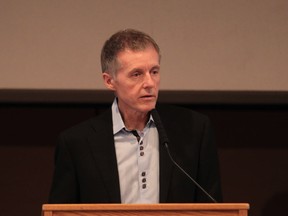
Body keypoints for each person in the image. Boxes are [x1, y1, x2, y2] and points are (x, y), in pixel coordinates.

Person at [48, 29, 222, 204]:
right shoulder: (77, 143)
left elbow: (214, 207)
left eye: (154, 72)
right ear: (109, 81)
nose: (149, 83)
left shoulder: (194, 130)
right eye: (136, 74)